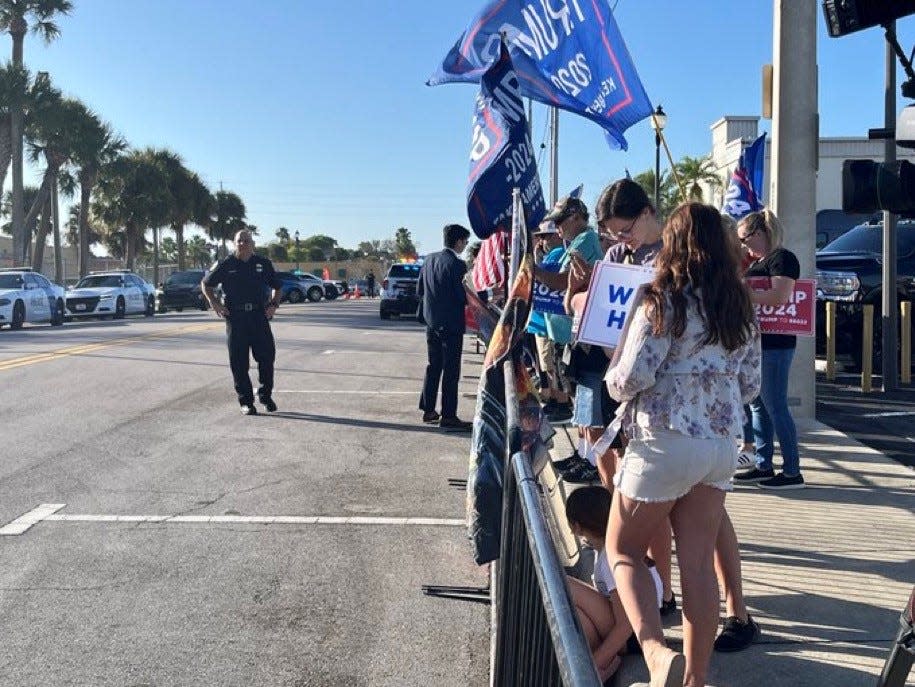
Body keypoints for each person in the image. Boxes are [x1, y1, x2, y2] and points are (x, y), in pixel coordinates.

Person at [604, 203, 760, 687]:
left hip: (665, 440)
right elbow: (750, 385)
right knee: (697, 565)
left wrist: (612, 376)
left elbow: (632, 376)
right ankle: (696, 677)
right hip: (718, 446)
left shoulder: (662, 299)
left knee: (624, 548)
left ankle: (654, 651)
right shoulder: (738, 306)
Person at [587, 178, 676, 616]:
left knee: (680, 514)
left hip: (666, 395)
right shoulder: (616, 257)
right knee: (643, 497)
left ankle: (665, 589)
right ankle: (658, 587)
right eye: (613, 234)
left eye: (625, 230)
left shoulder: (676, 256)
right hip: (625, 386)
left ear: (647, 213)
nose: (621, 241)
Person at [532, 195, 604, 483]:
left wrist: (533, 270)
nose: (557, 227)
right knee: (579, 398)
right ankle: (584, 452)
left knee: (588, 399)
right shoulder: (571, 244)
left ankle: (591, 458)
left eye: (560, 221)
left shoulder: (585, 240)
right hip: (570, 330)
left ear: (576, 217)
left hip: (584, 330)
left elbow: (562, 281)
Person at [733, 209, 805, 490]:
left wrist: (742, 292)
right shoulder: (761, 261)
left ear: (760, 233)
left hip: (775, 342)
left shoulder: (782, 259)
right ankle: (764, 463)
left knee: (775, 405)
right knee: (758, 404)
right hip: (758, 341)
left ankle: (791, 471)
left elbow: (778, 296)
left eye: (745, 238)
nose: (743, 245)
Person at [566, 485, 664, 682]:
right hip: (645, 627)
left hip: (634, 636)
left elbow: (626, 622)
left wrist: (597, 660)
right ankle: (602, 666)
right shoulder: (617, 545)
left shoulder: (610, 559)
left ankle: (602, 665)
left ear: (576, 526)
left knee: (566, 586)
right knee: (576, 613)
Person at [202, 229, 282, 416]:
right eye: (239, 241)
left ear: (252, 243)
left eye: (246, 241)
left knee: (267, 358)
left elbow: (277, 287)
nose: (242, 244)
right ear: (234, 243)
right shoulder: (227, 264)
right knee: (239, 362)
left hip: (258, 316)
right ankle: (246, 402)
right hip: (236, 318)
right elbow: (206, 284)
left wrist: (273, 305)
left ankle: (265, 395)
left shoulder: (263, 264)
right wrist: (215, 304)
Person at [417, 223, 472, 431]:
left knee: (433, 366)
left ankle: (428, 409)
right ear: (458, 241)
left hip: (432, 322)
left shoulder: (429, 260)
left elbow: (420, 289)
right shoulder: (457, 265)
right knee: (450, 371)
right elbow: (462, 296)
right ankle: (448, 415)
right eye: (465, 242)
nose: (465, 246)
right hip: (451, 325)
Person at [528, 221, 572, 421]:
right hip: (543, 320)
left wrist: (535, 264)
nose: (542, 240)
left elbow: (541, 276)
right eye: (541, 237)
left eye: (546, 236)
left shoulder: (558, 255)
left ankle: (560, 403)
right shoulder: (551, 255)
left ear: (557, 236)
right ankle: (555, 401)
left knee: (551, 364)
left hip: (550, 320)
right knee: (547, 364)